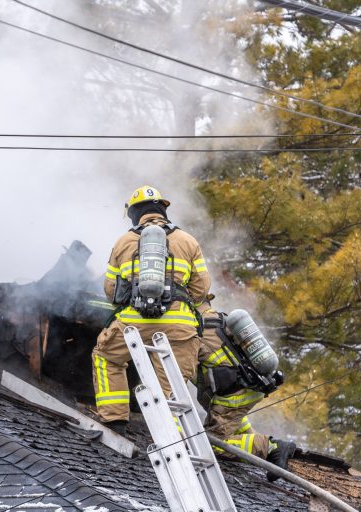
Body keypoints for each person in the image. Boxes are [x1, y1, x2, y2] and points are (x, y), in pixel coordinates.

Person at [92, 185, 210, 434]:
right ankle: (174, 439)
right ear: (162, 210)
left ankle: (114, 420)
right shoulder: (188, 241)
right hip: (180, 327)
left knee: (106, 357)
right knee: (171, 388)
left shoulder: (123, 242)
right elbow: (201, 289)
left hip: (133, 323)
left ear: (134, 213)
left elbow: (111, 290)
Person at [197, 297, 295, 481]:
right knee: (230, 417)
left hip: (236, 392)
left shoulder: (191, 331)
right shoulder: (214, 318)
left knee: (212, 443)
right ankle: (251, 439)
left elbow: (181, 370)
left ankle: (271, 447)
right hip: (247, 386)